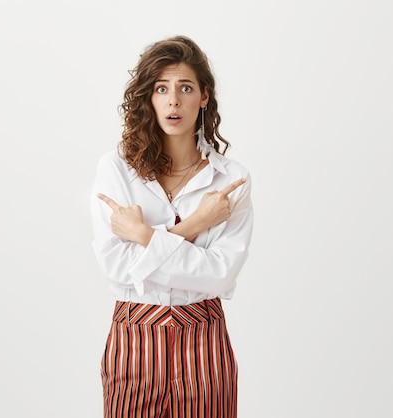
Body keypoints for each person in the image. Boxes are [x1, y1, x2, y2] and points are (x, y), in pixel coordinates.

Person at [90, 35, 254, 418]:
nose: (173, 100)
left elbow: (217, 275)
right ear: (149, 98)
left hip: (204, 342)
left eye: (185, 88)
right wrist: (196, 224)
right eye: (161, 89)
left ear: (204, 96)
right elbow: (118, 270)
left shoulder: (230, 180)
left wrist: (144, 236)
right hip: (134, 341)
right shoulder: (116, 170)